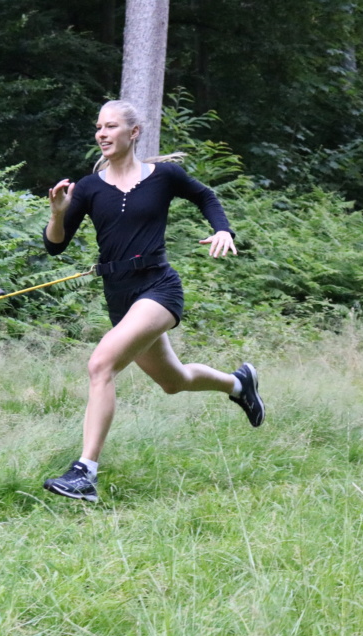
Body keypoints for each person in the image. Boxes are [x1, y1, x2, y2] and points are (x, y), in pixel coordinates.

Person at [41, 99, 265, 503]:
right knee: (173, 381)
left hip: (159, 288)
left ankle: (84, 472)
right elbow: (55, 247)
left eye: (110, 126)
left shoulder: (164, 177)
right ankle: (238, 384)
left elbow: (206, 197)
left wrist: (223, 230)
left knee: (100, 364)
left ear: (134, 132)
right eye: (98, 128)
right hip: (119, 297)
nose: (102, 134)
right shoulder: (88, 188)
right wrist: (58, 213)